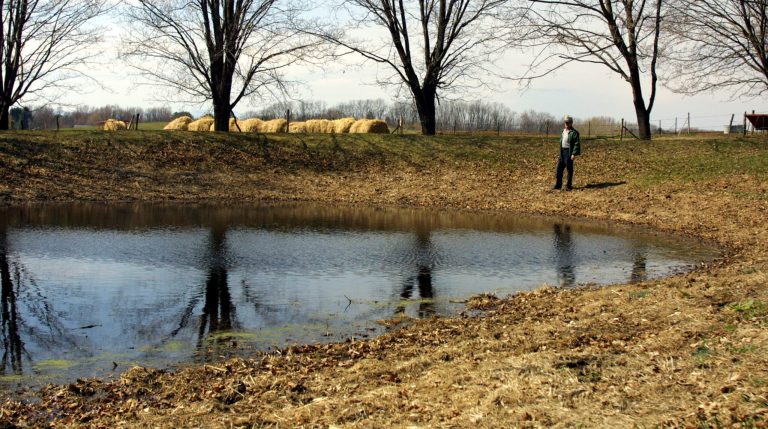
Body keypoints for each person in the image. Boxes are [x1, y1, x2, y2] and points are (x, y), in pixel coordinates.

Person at [553, 115, 581, 191]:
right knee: (559, 169)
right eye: (565, 122)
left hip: (569, 152)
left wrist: (573, 154)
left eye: (568, 123)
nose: (566, 124)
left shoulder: (574, 133)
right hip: (562, 152)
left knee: (569, 170)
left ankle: (568, 186)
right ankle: (558, 185)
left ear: (571, 123)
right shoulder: (563, 131)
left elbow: (576, 144)